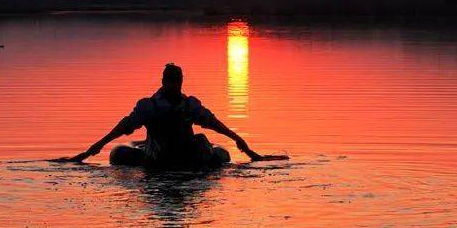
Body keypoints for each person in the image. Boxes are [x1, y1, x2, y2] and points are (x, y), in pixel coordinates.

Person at [55, 63, 285, 169]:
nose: (175, 86)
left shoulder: (189, 105)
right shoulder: (151, 107)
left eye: (178, 81)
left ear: (181, 82)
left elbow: (216, 124)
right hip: (160, 156)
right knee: (120, 154)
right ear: (163, 82)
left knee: (212, 149)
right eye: (171, 81)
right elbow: (121, 129)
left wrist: (244, 145)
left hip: (185, 156)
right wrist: (87, 152)